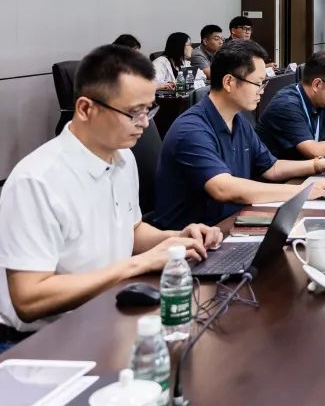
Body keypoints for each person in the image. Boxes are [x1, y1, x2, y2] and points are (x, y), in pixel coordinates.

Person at [0, 45, 222, 343]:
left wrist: (175, 237)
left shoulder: (122, 156)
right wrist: (139, 264)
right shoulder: (37, 181)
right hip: (39, 341)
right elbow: (29, 299)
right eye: (133, 113)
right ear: (85, 109)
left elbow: (131, 230)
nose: (145, 123)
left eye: (148, 109)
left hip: (105, 315)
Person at [154, 41, 325, 231]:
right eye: (259, 83)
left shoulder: (238, 119)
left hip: (236, 223)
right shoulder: (191, 129)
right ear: (229, 82)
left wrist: (320, 164)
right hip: (196, 240)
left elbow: (271, 168)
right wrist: (304, 191)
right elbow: (224, 188)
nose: (262, 91)